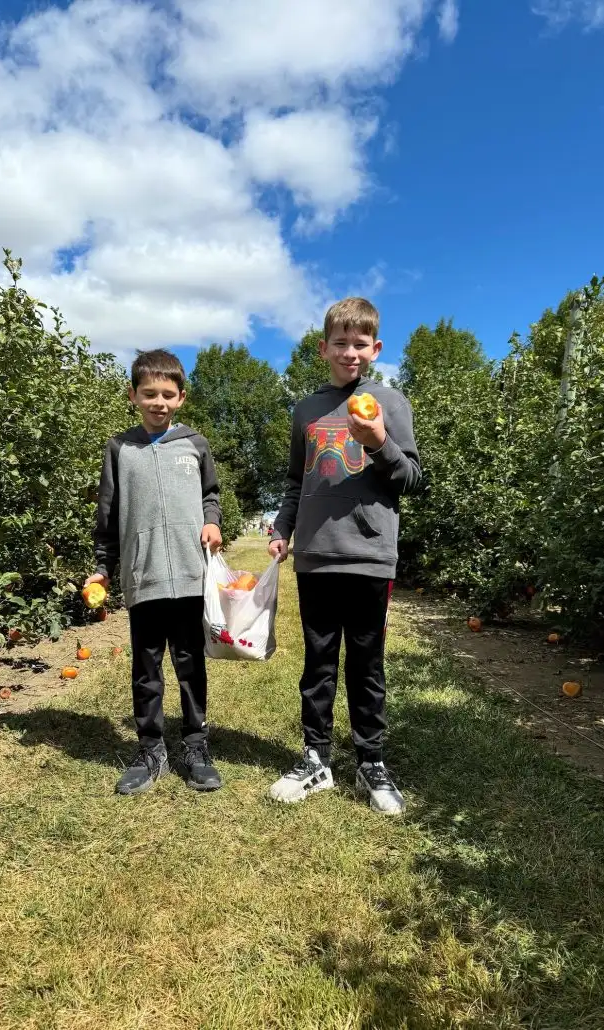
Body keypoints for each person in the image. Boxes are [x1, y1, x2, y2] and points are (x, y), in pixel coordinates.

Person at [268, 297, 421, 814]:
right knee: (317, 662)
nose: (349, 352)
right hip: (315, 555)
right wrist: (282, 529)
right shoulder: (307, 409)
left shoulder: (391, 403)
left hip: (370, 556)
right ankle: (316, 759)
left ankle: (371, 761)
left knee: (366, 663)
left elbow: (410, 480)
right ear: (323, 348)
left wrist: (379, 441)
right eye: (340, 343)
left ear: (375, 348)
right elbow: (295, 480)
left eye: (360, 344)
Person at [84, 349, 223, 796]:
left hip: (188, 574)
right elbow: (108, 518)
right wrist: (102, 570)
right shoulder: (119, 449)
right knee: (146, 667)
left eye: (167, 394)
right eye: (149, 394)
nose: (158, 402)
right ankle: (149, 749)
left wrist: (213, 521)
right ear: (133, 395)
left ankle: (196, 745)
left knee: (189, 662)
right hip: (142, 577)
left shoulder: (194, 445)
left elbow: (211, 496)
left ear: (181, 397)